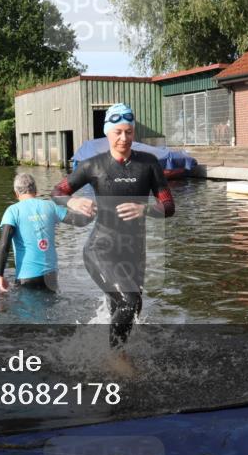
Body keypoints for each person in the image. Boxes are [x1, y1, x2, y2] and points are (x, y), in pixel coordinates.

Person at [52, 103, 175, 350]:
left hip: (133, 250)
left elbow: (169, 206)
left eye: (128, 132)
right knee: (129, 301)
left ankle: (112, 354)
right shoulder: (93, 165)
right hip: (101, 249)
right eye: (118, 132)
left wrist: (145, 209)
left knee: (132, 305)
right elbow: (57, 192)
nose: (123, 138)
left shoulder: (149, 164)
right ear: (107, 132)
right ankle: (117, 359)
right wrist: (74, 200)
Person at [0, 173, 92, 293]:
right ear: (35, 190)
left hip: (27, 277)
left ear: (16, 193)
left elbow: (4, 244)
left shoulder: (12, 211)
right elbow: (81, 221)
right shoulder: (50, 206)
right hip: (51, 276)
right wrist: (97, 210)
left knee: (26, 310)